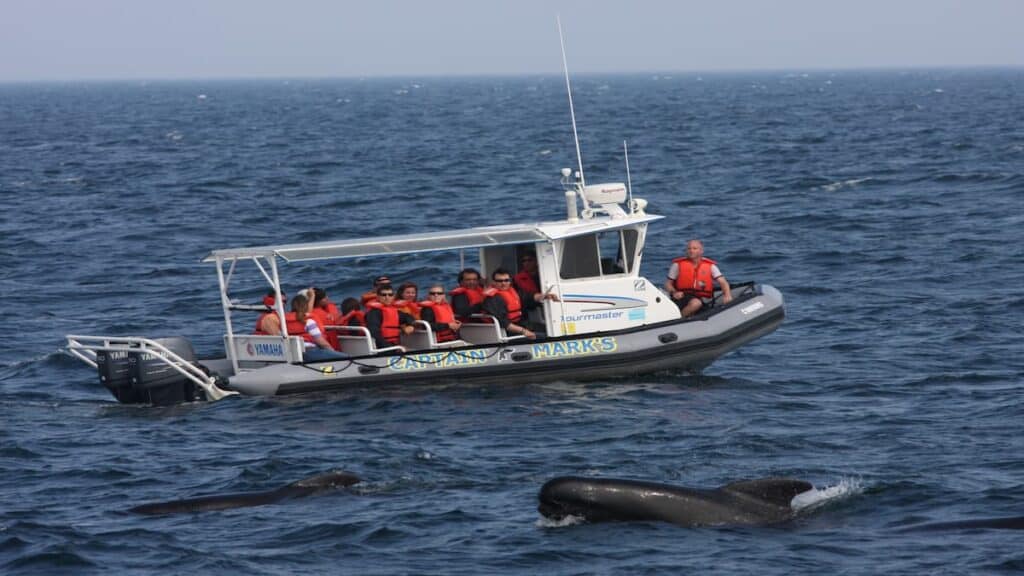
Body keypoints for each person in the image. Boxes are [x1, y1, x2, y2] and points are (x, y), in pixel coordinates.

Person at [481, 268, 558, 340]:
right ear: (493, 282)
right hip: (505, 331)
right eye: (499, 281)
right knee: (545, 336)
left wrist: (545, 296)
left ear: (510, 281)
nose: (503, 283)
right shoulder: (492, 298)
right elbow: (503, 323)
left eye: (506, 280)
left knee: (549, 329)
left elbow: (529, 297)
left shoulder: (512, 291)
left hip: (519, 324)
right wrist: (524, 331)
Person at [665, 239, 733, 318]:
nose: (691, 251)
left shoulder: (710, 266)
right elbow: (668, 284)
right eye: (689, 248)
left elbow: (723, 282)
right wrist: (674, 292)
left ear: (701, 251)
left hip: (699, 297)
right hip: (682, 297)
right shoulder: (677, 265)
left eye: (694, 248)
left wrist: (727, 295)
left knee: (703, 308)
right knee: (696, 303)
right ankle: (678, 320)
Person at [284, 292, 348, 362]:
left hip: (292, 353)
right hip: (309, 352)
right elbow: (322, 343)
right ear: (306, 306)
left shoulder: (284, 321)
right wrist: (332, 351)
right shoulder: (308, 321)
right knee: (346, 357)